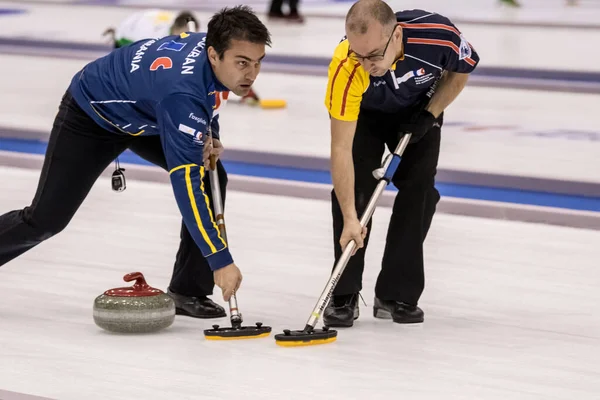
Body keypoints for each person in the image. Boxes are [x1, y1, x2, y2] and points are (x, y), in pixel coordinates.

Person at [0, 6, 271, 317]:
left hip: (148, 112)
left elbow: (208, 102)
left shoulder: (215, 54)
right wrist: (220, 260)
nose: (251, 74)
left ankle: (188, 290)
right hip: (92, 115)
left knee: (213, 177)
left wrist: (210, 134)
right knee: (46, 219)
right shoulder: (182, 93)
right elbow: (185, 183)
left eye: (257, 63)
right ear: (213, 54)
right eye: (242, 63)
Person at [322, 0, 480, 327]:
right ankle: (344, 293)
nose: (367, 65)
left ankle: (397, 292)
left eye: (375, 55)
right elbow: (340, 148)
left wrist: (429, 114)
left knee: (419, 191)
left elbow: (460, 72)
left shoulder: (439, 37)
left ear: (396, 36)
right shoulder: (345, 67)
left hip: (418, 111)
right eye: (358, 55)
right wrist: (352, 218)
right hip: (364, 116)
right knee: (355, 193)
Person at [103, 9, 261, 105]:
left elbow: (224, 60)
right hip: (126, 35)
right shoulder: (153, 37)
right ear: (174, 31)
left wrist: (245, 86)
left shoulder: (180, 25)